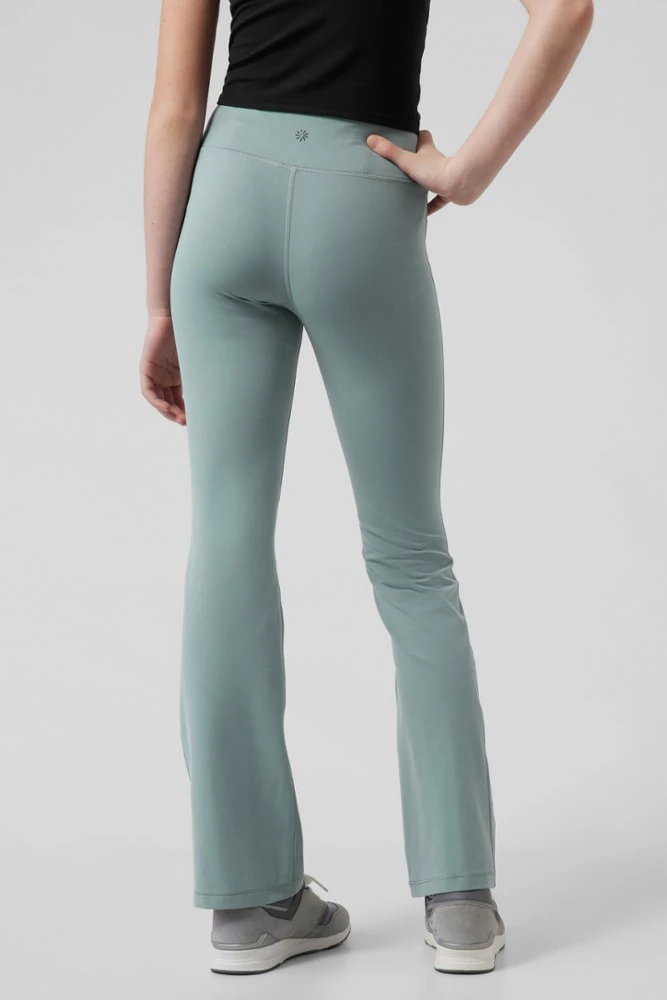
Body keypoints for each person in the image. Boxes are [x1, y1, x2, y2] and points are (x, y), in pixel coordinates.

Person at [141, 0, 594, 976]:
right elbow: (564, 9)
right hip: (362, 187)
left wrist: (157, 302)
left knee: (225, 537)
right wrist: (466, 171)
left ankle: (247, 904)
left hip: (226, 192)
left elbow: (175, 107)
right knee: (410, 556)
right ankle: (458, 901)